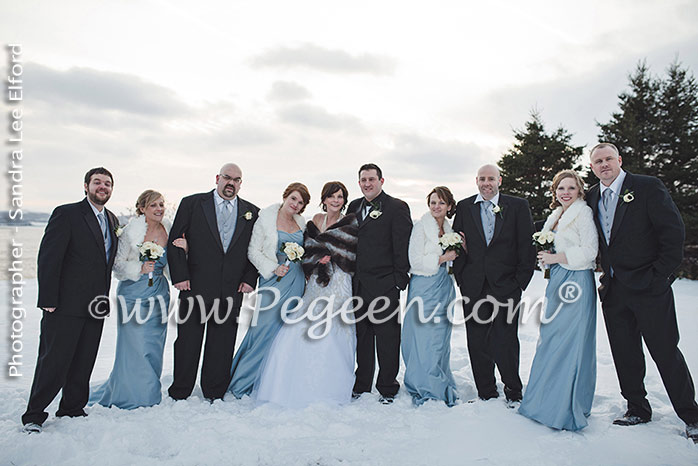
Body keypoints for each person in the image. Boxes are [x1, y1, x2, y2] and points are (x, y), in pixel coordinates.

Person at [587, 142, 698, 441]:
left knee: (665, 351)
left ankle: (691, 415)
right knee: (625, 354)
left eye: (609, 158)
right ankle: (637, 408)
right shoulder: (591, 196)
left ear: (620, 160)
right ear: (592, 167)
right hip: (613, 290)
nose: (604, 164)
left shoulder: (647, 187)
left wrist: (659, 276)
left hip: (649, 288)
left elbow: (672, 232)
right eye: (598, 161)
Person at [22, 167, 119, 433]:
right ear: (86, 186)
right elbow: (49, 257)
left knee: (84, 359)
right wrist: (48, 298)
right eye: (97, 182)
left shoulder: (111, 220)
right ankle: (34, 414)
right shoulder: (67, 213)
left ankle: (72, 408)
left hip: (96, 305)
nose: (102, 187)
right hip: (64, 304)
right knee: (54, 360)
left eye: (107, 183)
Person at [253, 182, 359, 408]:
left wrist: (333, 256)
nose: (336, 201)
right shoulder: (314, 222)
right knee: (300, 328)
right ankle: (294, 383)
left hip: (339, 281)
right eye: (331, 196)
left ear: (344, 200)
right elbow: (306, 251)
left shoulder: (350, 223)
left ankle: (330, 384)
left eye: (340, 197)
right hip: (315, 283)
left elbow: (350, 252)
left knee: (334, 329)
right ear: (324, 199)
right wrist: (316, 260)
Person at [167, 163, 259, 401]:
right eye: (227, 178)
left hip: (231, 288)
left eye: (237, 180)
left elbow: (255, 249)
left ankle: (215, 390)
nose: (231, 183)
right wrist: (180, 276)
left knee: (223, 341)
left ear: (241, 183)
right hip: (194, 285)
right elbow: (176, 240)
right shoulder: (192, 203)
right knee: (188, 340)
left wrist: (249, 279)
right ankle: (181, 390)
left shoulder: (252, 212)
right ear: (217, 178)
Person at [518, 170, 598, 430]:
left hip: (575, 281)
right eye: (561, 188)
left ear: (579, 191)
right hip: (557, 281)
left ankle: (563, 406)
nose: (566, 192)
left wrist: (556, 258)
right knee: (551, 339)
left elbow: (590, 252)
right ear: (555, 192)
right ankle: (544, 400)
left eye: (571, 188)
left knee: (568, 342)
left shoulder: (583, 213)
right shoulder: (556, 215)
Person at [90, 190, 185, 409]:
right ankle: (133, 393)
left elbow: (173, 264)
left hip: (159, 292)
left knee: (153, 343)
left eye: (161, 204)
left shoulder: (168, 229)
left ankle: (149, 388)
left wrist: (184, 251)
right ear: (142, 208)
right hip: (133, 293)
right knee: (134, 344)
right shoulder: (131, 232)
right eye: (153, 205)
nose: (159, 209)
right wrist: (139, 268)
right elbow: (117, 265)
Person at [452, 164, 536, 404]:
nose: (486, 183)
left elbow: (526, 245)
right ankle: (486, 390)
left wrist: (520, 282)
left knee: (506, 338)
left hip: (506, 285)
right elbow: (457, 244)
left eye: (491, 178)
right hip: (474, 285)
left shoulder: (517, 206)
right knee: (477, 339)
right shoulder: (465, 207)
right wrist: (462, 278)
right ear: (476, 181)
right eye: (482, 179)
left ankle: (512, 389)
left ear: (499, 180)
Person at [228, 183, 309, 398]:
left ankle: (270, 382)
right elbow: (253, 251)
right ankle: (240, 383)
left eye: (300, 203)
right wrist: (273, 268)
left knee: (284, 335)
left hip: (296, 281)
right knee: (262, 332)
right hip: (273, 281)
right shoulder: (265, 218)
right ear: (285, 196)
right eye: (293, 199)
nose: (295, 204)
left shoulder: (301, 223)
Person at [347, 163, 412, 403]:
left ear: (381, 181)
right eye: (363, 180)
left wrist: (398, 279)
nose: (367, 184)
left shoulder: (396, 207)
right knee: (362, 338)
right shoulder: (354, 207)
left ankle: (387, 386)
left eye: (371, 179)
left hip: (385, 284)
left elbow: (402, 245)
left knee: (387, 339)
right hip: (359, 285)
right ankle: (362, 384)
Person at [403, 186, 459, 407]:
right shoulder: (420, 228)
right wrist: (443, 258)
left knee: (439, 338)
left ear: (449, 206)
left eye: (441, 203)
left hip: (444, 285)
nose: (437, 206)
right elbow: (414, 260)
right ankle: (426, 385)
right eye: (433, 202)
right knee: (424, 338)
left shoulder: (449, 229)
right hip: (424, 286)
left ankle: (439, 378)